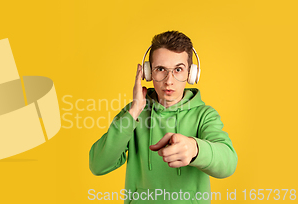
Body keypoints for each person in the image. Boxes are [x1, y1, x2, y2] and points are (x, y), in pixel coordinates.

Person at [89, 31, 237, 204]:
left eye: (178, 70)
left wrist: (195, 149)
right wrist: (135, 110)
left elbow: (229, 163)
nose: (169, 80)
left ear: (191, 74)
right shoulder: (133, 115)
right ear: (148, 72)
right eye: (160, 69)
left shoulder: (205, 115)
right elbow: (98, 165)